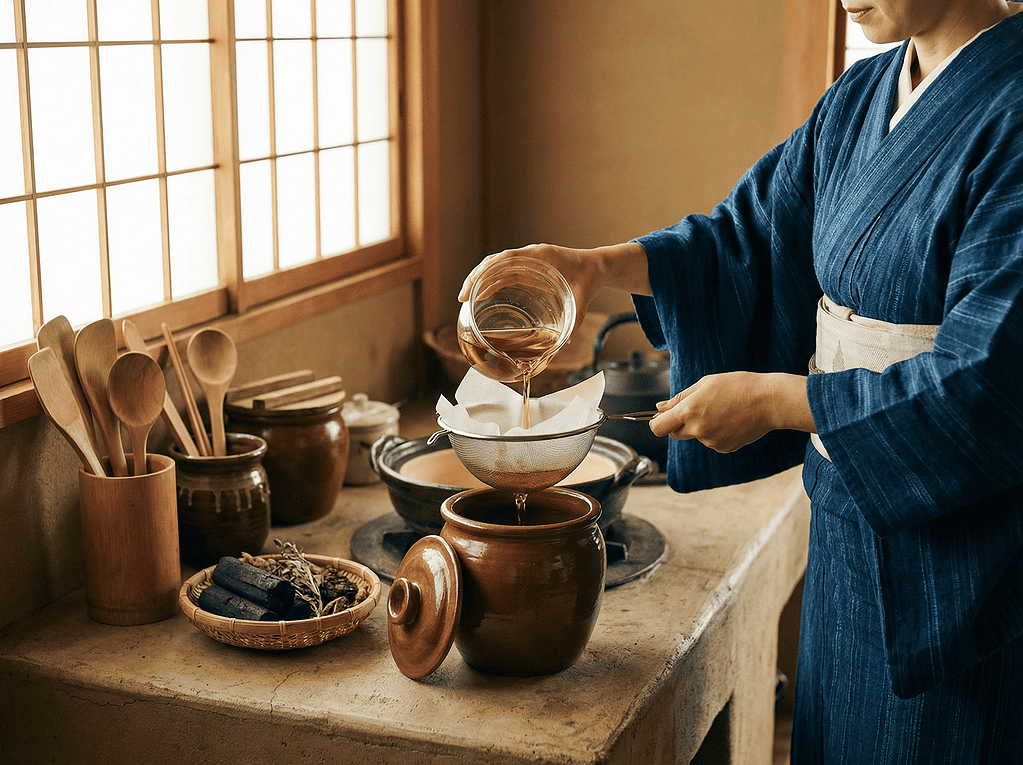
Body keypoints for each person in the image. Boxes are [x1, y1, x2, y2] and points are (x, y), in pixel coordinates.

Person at [458, 1, 1023, 762]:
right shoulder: (860, 96)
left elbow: (991, 381)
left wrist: (778, 401)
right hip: (850, 514)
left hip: (962, 556)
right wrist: (590, 266)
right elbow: (748, 238)